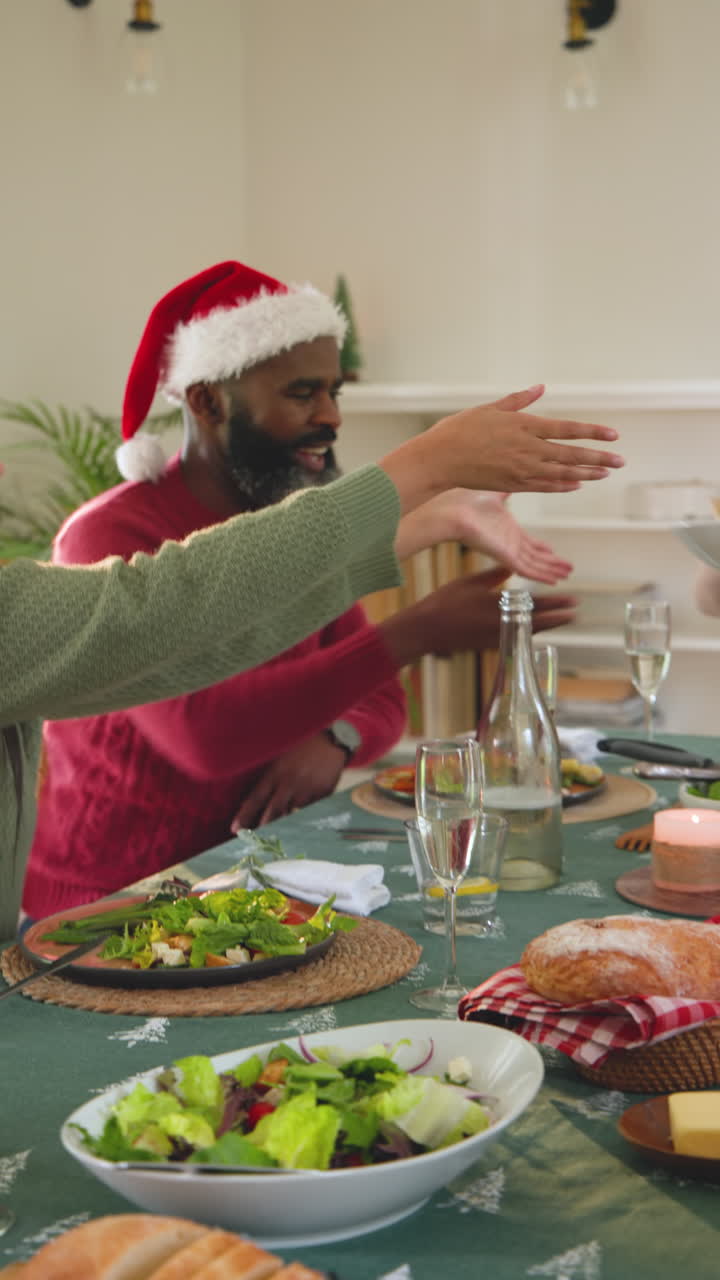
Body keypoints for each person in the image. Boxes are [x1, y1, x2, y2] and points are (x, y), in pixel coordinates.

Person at [2, 262, 623, 940]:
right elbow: (204, 737)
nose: (329, 417)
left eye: (333, 391)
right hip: (110, 907)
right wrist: (414, 629)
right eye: (302, 393)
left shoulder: (287, 521)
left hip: (251, 883)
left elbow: (385, 703)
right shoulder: (110, 533)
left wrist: (334, 735)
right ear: (208, 402)